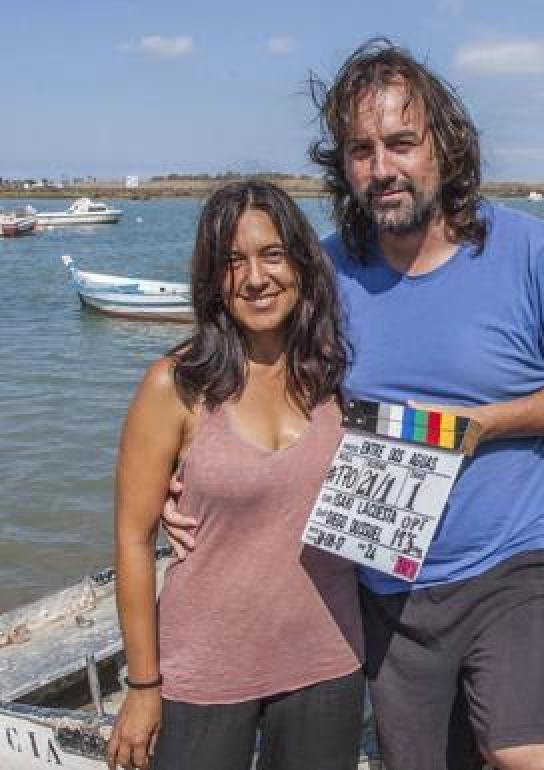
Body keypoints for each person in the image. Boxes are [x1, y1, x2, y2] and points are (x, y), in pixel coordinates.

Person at [165, 39, 544, 770]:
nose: (381, 169)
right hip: (386, 586)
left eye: (401, 143)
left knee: (526, 755)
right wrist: (180, 479)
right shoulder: (321, 271)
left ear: (444, 145)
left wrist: (490, 424)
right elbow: (252, 376)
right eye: (360, 149)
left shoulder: (534, 253)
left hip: (512, 560)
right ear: (342, 164)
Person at [107, 180, 365, 770]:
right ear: (213, 282)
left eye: (272, 254)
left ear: (301, 262)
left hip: (327, 660)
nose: (255, 278)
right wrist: (144, 687)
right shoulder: (175, 386)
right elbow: (131, 539)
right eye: (232, 262)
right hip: (203, 670)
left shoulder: (337, 378)